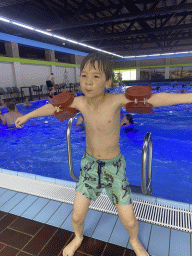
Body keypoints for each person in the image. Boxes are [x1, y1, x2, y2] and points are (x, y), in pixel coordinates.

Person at [15, 53, 192, 256]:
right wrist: (27, 115)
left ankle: (135, 241)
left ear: (108, 81)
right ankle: (78, 237)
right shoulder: (80, 103)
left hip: (113, 168)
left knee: (129, 220)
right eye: (84, 76)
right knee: (76, 217)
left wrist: (189, 97)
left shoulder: (116, 100)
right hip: (89, 167)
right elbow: (53, 107)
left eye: (96, 76)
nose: (88, 82)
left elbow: (155, 98)